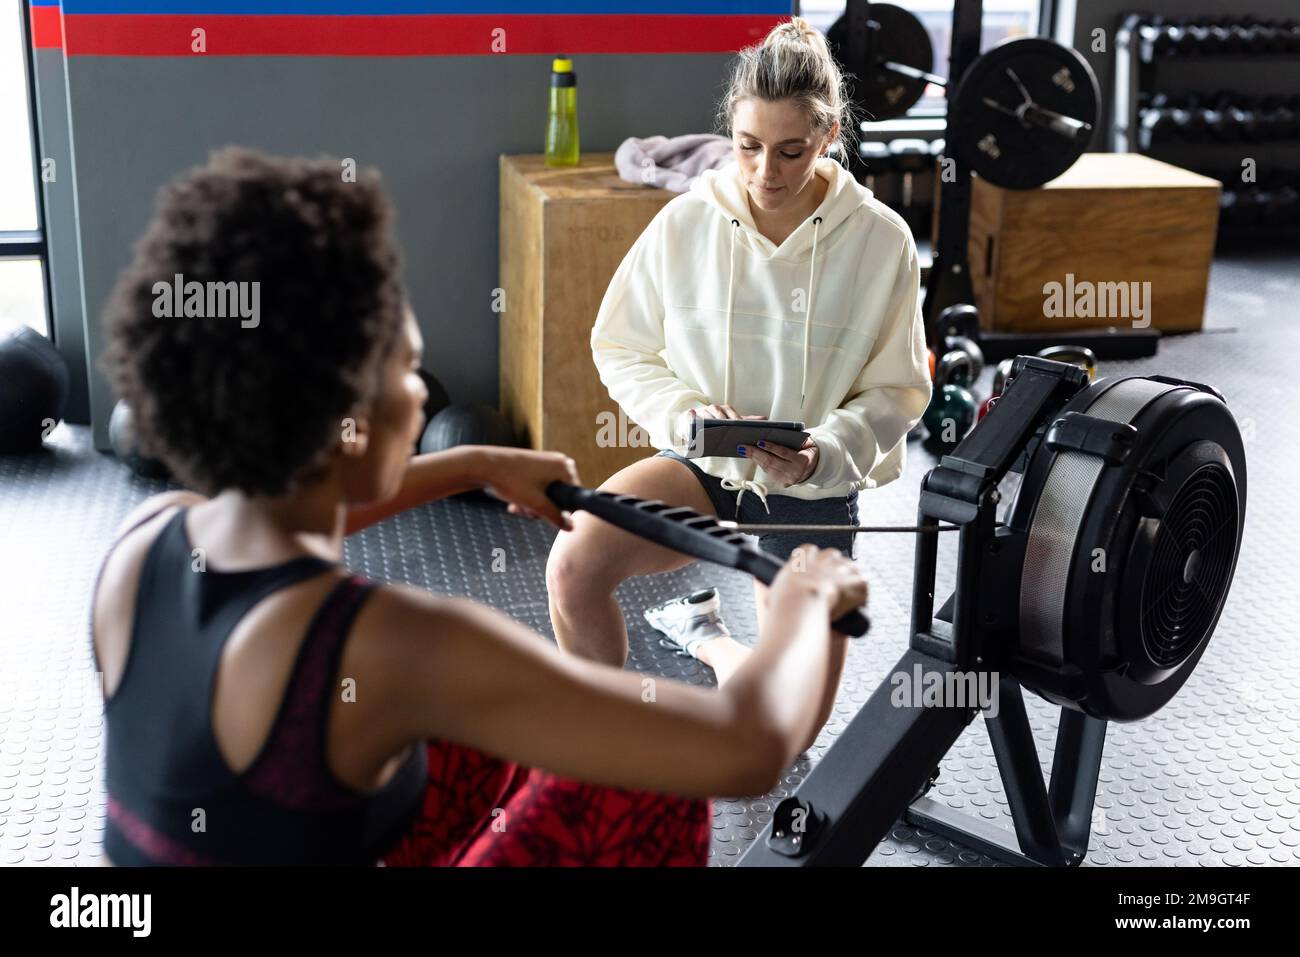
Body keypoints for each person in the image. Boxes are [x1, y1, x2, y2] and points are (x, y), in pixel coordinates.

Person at [89, 145, 869, 867]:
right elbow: (744, 751)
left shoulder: (144, 543)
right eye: (408, 369)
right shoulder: (388, 644)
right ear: (346, 418)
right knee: (639, 772)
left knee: (480, 740)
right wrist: (808, 609)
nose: (420, 395)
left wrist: (473, 462)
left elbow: (301, 511)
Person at [547, 16, 931, 695]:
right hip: (704, 464)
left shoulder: (883, 240)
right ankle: (599, 742)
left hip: (811, 484)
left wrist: (823, 453)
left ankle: (705, 635)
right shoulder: (687, 221)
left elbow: (897, 390)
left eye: (790, 151)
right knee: (575, 565)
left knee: (781, 713)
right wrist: (684, 414)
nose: (764, 171)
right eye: (749, 146)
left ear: (828, 137)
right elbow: (620, 345)